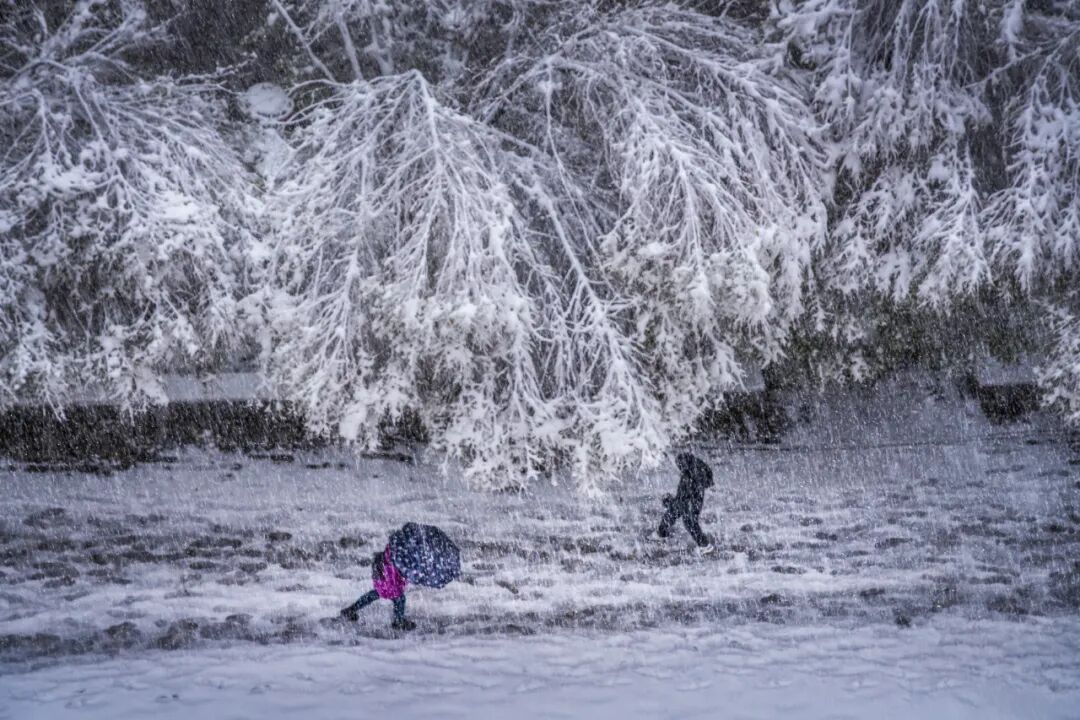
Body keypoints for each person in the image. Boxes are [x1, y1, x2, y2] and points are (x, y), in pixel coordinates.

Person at [340, 544, 416, 631]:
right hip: (390, 584)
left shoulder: (386, 555)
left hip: (380, 582)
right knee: (399, 598)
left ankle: (351, 610)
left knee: (376, 593)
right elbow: (395, 574)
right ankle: (398, 621)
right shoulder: (395, 558)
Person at [656, 452, 715, 549]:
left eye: (680, 466)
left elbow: (684, 496)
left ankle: (705, 546)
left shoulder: (692, 475)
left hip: (691, 502)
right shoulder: (691, 471)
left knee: (689, 522)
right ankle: (661, 534)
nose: (679, 468)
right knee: (672, 513)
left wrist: (670, 501)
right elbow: (682, 496)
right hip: (689, 500)